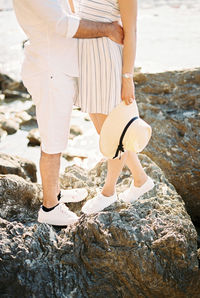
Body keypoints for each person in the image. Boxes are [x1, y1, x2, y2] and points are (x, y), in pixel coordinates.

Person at [12, 0, 124, 226]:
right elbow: (63, 24)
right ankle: (50, 207)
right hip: (49, 70)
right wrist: (108, 29)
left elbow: (70, 11)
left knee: (58, 135)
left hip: (59, 67)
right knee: (53, 140)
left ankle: (55, 191)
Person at [72, 0, 155, 215]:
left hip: (106, 61)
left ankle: (108, 192)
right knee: (105, 131)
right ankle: (141, 179)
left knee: (113, 132)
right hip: (85, 59)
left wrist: (127, 77)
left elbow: (131, 32)